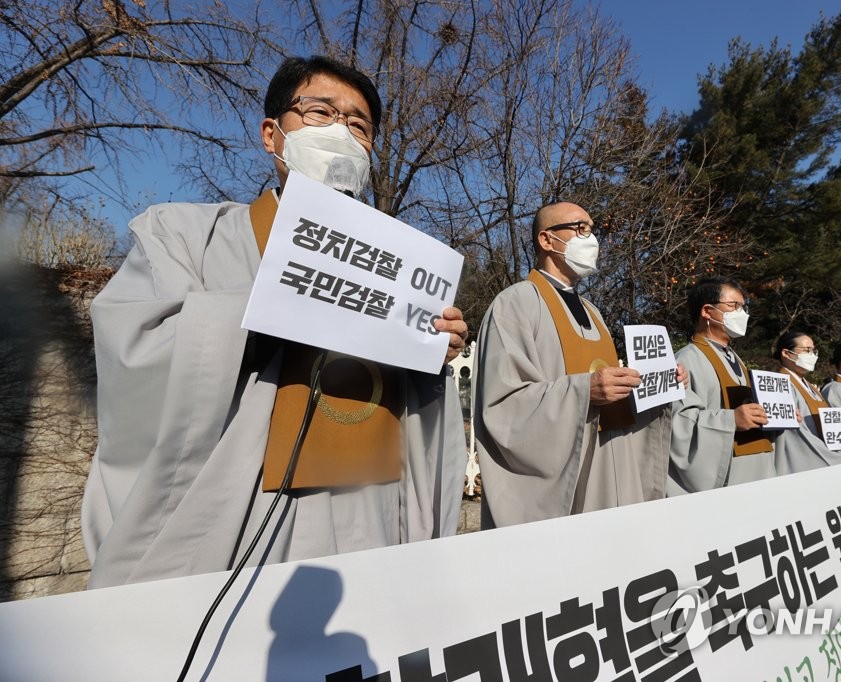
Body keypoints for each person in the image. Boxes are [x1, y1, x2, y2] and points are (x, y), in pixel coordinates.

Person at [81, 56, 470, 588]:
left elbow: (421, 426)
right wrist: (276, 307)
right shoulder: (185, 234)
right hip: (240, 525)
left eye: (359, 126)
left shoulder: (402, 272)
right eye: (320, 113)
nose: (341, 134)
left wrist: (433, 354)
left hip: (373, 511)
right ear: (272, 134)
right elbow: (135, 355)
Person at [473, 201, 686, 527]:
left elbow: (610, 391)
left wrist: (655, 384)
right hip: (564, 479)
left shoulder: (593, 312)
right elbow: (502, 407)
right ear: (547, 240)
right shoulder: (514, 303)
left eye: (592, 229)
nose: (592, 239)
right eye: (580, 229)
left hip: (608, 464)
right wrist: (583, 391)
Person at [668, 277, 772, 493]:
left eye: (744, 307)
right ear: (707, 311)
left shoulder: (736, 359)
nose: (742, 314)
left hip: (757, 470)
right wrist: (730, 420)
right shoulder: (685, 360)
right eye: (735, 306)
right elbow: (679, 426)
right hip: (729, 478)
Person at [772, 331, 841, 474]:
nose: (813, 356)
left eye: (814, 351)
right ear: (786, 353)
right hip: (807, 460)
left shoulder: (810, 386)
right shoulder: (778, 384)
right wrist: (835, 458)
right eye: (807, 350)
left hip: (826, 455)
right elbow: (797, 434)